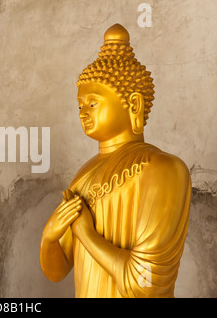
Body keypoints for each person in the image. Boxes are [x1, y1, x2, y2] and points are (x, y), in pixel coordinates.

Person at [40, 24, 191, 297]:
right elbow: (58, 271)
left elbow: (145, 283)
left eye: (93, 103)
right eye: (80, 105)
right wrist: (49, 237)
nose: (83, 113)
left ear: (134, 105)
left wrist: (86, 234)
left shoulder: (164, 169)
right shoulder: (83, 174)